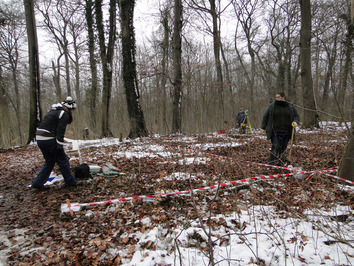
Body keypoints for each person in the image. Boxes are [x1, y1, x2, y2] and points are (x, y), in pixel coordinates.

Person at [31, 96, 77, 189]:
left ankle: (37, 183)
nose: (72, 112)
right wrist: (59, 145)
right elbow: (60, 131)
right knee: (63, 160)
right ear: (69, 108)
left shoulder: (53, 111)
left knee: (50, 161)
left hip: (40, 139)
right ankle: (70, 182)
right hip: (48, 139)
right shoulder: (64, 113)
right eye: (72, 110)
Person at [261, 92, 300, 166]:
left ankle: (281, 162)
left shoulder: (290, 106)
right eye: (276, 97)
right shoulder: (272, 106)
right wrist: (263, 127)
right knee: (275, 145)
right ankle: (271, 162)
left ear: (283, 97)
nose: (277, 99)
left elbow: (296, 115)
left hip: (287, 131)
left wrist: (295, 122)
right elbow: (265, 116)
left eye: (278, 97)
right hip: (275, 131)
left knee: (283, 147)